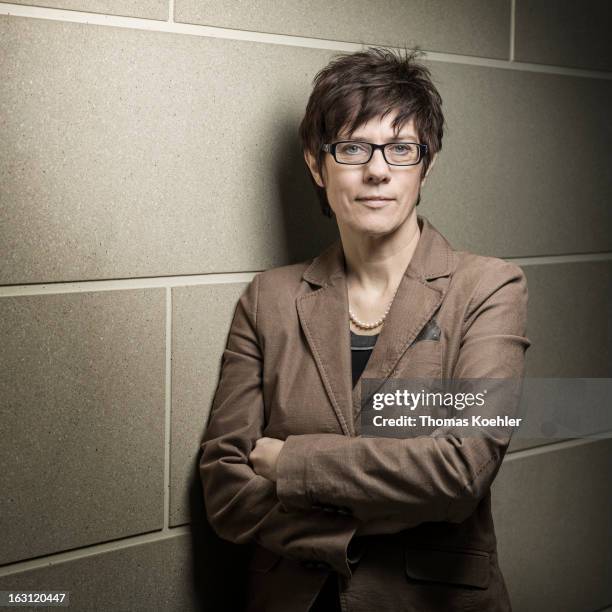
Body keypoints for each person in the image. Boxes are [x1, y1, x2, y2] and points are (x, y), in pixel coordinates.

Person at [199, 46, 530, 612]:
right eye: (353, 147)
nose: (378, 169)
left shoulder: (490, 289)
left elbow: (461, 469)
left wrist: (290, 464)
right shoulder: (268, 299)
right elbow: (226, 488)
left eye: (401, 149)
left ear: (428, 164)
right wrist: (362, 521)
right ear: (315, 163)